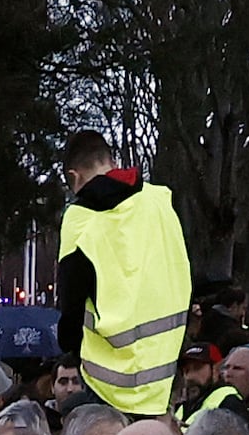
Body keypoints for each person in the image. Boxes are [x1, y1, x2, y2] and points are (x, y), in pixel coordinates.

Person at [53, 129, 194, 418]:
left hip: (106, 380)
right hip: (163, 373)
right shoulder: (159, 201)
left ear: (74, 176)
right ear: (111, 161)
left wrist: (70, 346)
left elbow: (72, 300)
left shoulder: (81, 219)